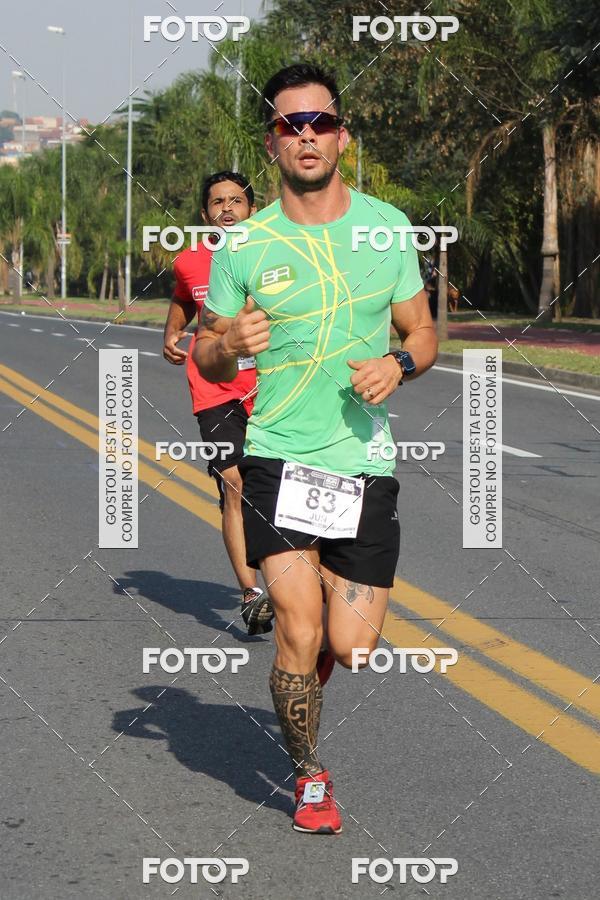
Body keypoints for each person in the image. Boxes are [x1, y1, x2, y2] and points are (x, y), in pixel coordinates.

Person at [194, 65, 438, 834]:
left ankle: (312, 663)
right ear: (271, 142)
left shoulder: (386, 227)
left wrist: (397, 363)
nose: (307, 136)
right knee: (297, 627)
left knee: (352, 645)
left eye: (320, 123)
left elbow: (424, 332)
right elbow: (205, 356)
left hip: (363, 463)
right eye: (290, 125)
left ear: (343, 135)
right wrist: (229, 339)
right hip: (276, 455)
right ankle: (309, 778)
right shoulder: (245, 243)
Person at [163, 170, 274, 635]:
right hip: (214, 385)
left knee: (275, 484)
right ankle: (251, 594)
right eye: (217, 202)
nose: (226, 208)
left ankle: (291, 582)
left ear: (252, 208)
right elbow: (185, 300)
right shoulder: (190, 261)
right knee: (233, 482)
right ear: (205, 213)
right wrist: (172, 331)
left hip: (272, 384)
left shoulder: (276, 253)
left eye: (236, 201)